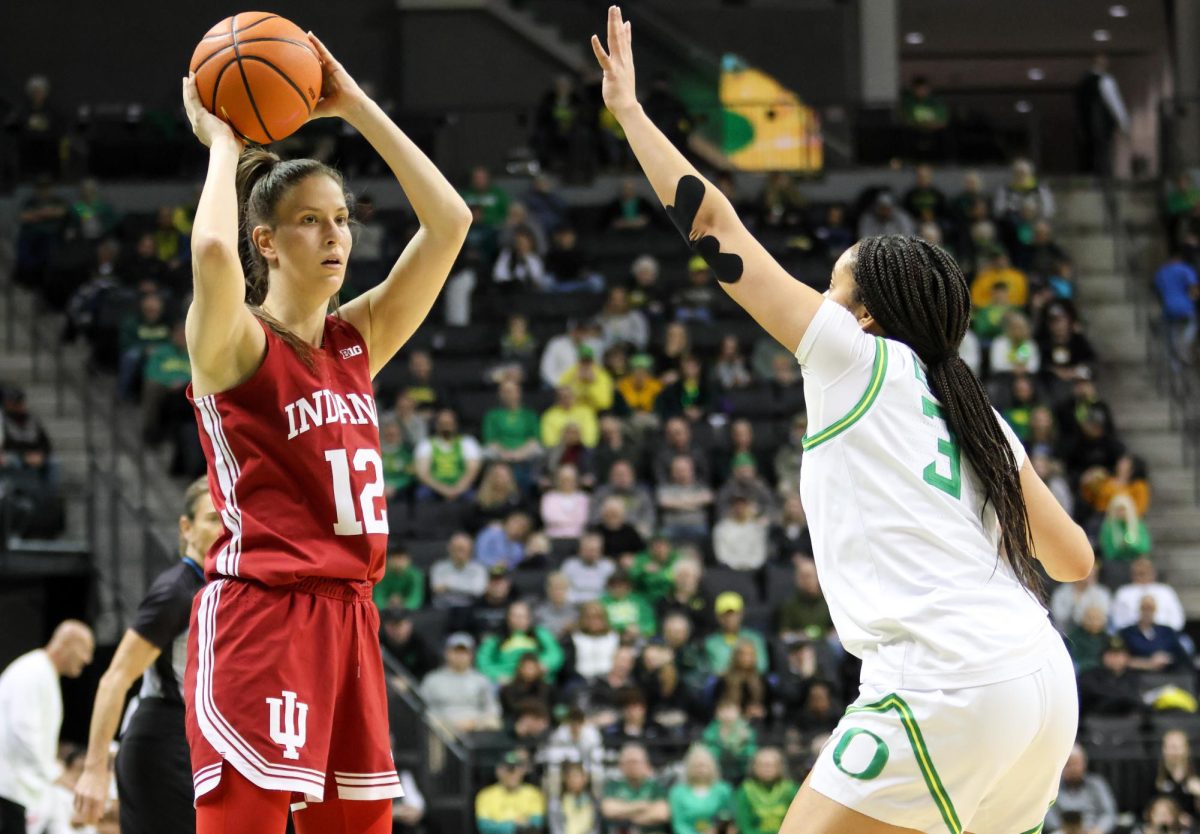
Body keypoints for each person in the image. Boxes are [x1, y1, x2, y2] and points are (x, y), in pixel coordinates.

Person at [590, 10, 1092, 831]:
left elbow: (716, 228)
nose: (817, 304)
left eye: (830, 288)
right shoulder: (978, 411)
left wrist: (633, 115)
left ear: (861, 318)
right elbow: (1072, 560)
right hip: (1041, 681)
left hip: (945, 681)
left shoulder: (854, 359)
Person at [179, 31, 471, 832]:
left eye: (342, 218)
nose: (336, 235)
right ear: (266, 241)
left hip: (351, 618)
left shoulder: (355, 340)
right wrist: (223, 141)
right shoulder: (235, 342)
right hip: (263, 616)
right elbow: (210, 247)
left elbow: (449, 221)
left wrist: (353, 104)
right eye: (311, 221)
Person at [72, 480, 218, 832]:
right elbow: (116, 678)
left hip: (196, 741)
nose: (224, 528)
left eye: (230, 518)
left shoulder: (221, 588)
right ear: (187, 528)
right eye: (212, 519)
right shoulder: (175, 591)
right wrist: (94, 770)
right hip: (162, 742)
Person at [418, 633, 502, 733]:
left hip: (476, 727)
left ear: (471, 655)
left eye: (464, 652)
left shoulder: (481, 679)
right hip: (443, 729)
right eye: (456, 651)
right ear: (447, 653)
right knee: (432, 724)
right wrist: (448, 724)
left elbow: (492, 707)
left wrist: (475, 722)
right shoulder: (432, 679)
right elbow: (423, 707)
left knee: (494, 722)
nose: (460, 656)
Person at [1075, 54, 1129, 178]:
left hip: (1087, 124)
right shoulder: (1105, 80)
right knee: (1103, 152)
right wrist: (1124, 123)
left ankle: (1091, 176)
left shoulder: (1083, 81)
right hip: (1101, 123)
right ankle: (1104, 177)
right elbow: (1114, 103)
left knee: (1090, 152)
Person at [414, 409, 484, 503]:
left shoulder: (467, 443)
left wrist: (456, 490)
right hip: (434, 488)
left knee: (474, 497)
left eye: (449, 423)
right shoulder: (426, 444)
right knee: (422, 494)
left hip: (461, 486)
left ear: (455, 425)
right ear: (436, 425)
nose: (446, 427)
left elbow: (471, 471)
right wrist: (444, 490)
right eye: (442, 424)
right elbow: (423, 474)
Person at [1043, 746, 1117, 834]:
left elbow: (1108, 814)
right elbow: (1047, 814)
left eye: (1076, 764)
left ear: (1084, 764)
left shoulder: (1096, 785)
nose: (1073, 769)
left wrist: (1097, 830)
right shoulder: (1053, 787)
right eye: (1068, 764)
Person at [600, 744, 670, 834]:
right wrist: (641, 806)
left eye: (636, 762)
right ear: (621, 766)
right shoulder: (613, 786)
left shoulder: (656, 787)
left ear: (646, 765)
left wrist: (625, 816)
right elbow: (608, 810)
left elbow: (662, 814)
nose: (633, 766)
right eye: (629, 762)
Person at [475, 750, 546, 834]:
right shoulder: (485, 795)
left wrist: (500, 825)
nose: (514, 773)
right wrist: (514, 826)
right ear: (499, 771)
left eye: (518, 768)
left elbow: (536, 825)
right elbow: (485, 827)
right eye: (510, 769)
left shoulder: (533, 794)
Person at [668, 745, 734, 834]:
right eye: (696, 766)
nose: (700, 769)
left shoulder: (723, 790)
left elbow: (729, 816)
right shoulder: (677, 793)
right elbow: (679, 824)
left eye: (703, 765)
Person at [734, 748, 800, 834]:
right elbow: (744, 827)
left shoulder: (790, 789)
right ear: (754, 767)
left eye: (771, 765)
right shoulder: (745, 791)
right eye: (762, 765)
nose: (767, 768)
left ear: (780, 767)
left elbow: (798, 821)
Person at [1112, 559, 1185, 631]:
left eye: (1146, 572)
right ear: (1132, 574)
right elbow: (1117, 620)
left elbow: (1177, 619)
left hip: (1164, 633)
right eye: (1139, 573)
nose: (1143, 576)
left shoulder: (1165, 591)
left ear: (1153, 573)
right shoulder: (1124, 592)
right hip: (1133, 634)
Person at [1154, 730, 1200, 821]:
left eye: (1177, 747)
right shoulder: (1154, 773)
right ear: (1164, 749)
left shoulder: (1197, 771)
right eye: (1170, 747)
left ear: (1187, 749)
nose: (1174, 752)